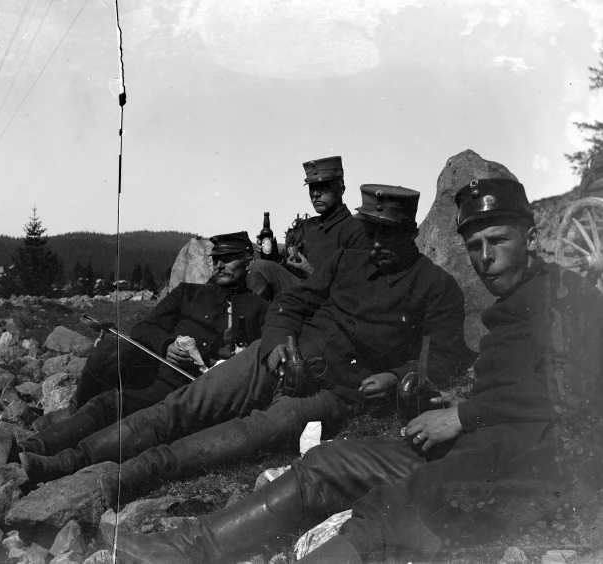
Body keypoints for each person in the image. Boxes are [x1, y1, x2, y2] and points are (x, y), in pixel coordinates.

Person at [113, 165, 603, 564]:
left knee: (394, 513)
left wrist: (463, 415)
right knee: (325, 461)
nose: (485, 258)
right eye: (475, 246)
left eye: (498, 241)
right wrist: (466, 405)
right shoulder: (522, 296)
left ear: (533, 238)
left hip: (518, 467)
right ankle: (187, 547)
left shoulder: (568, 297)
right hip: (476, 440)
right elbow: (526, 380)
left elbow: (575, 397)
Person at [25, 184, 465, 497]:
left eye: (386, 235)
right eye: (369, 232)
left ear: (411, 233)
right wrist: (276, 346)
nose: (374, 244)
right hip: (272, 360)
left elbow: (444, 360)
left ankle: (133, 475)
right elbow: (288, 307)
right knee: (181, 408)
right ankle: (66, 462)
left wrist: (395, 375)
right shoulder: (346, 263)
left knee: (246, 435)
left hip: (334, 392)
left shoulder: (438, 287)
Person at [14, 231, 268, 478]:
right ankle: (30, 448)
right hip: (164, 381)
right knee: (108, 404)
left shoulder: (261, 309)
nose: (220, 265)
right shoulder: (189, 293)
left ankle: (53, 461)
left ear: (248, 262)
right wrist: (167, 345)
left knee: (128, 418)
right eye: (216, 259)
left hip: (202, 397)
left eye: (229, 258)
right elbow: (145, 328)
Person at [246, 156, 367, 300]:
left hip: (331, 301)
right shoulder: (309, 226)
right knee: (259, 265)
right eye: (312, 187)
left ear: (341, 189)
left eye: (323, 187)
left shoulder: (355, 228)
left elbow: (355, 284)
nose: (315, 194)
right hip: (305, 292)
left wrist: (311, 272)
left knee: (261, 267)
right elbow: (290, 265)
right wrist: (271, 253)